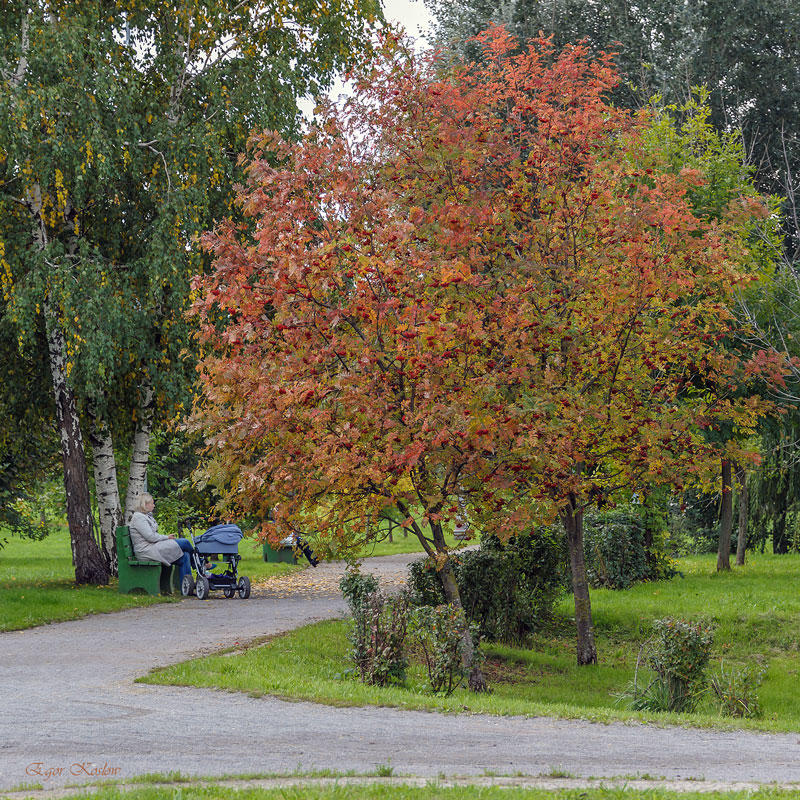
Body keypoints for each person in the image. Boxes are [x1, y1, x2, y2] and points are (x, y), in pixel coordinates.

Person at [128, 493, 192, 585]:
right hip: (146, 551)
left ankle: (186, 587)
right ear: (145, 504)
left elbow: (152, 536)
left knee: (185, 556)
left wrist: (166, 538)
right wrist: (167, 537)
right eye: (152, 503)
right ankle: (201, 563)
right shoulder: (139, 518)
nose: (154, 505)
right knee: (185, 542)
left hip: (153, 547)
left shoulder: (145, 516)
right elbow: (150, 537)